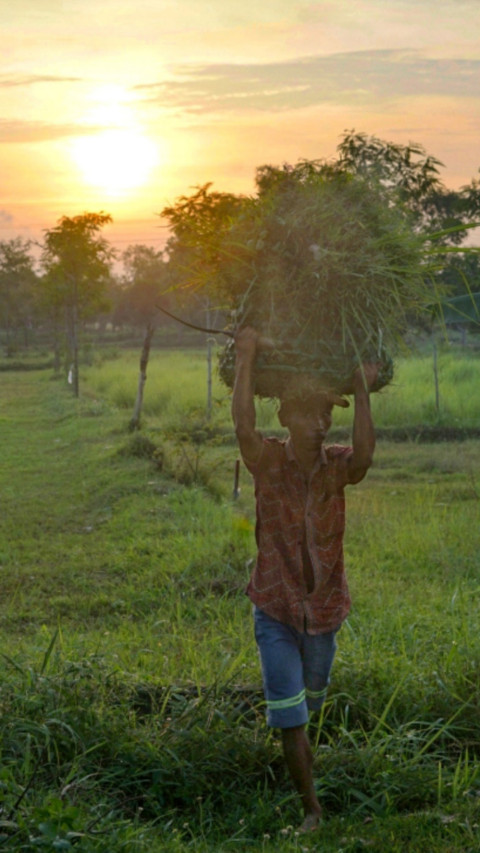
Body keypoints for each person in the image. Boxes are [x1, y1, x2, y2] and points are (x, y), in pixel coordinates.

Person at [231, 326, 379, 833]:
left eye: (325, 416)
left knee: (306, 704)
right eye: (307, 415)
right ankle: (311, 809)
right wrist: (247, 356)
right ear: (285, 419)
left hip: (324, 613)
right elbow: (243, 428)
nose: (318, 425)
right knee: (290, 714)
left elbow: (364, 456)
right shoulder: (268, 461)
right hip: (275, 607)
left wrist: (360, 391)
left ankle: (298, 765)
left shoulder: (337, 468)